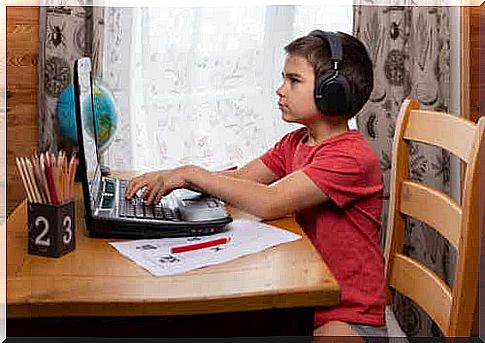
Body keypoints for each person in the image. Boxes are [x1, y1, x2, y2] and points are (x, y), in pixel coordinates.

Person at [126, 30, 387, 342]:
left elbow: (269, 200)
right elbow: (238, 182)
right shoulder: (295, 142)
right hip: (303, 305)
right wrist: (171, 175)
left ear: (333, 92)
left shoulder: (351, 158)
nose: (280, 90)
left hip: (349, 317)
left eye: (294, 80)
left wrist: (191, 173)